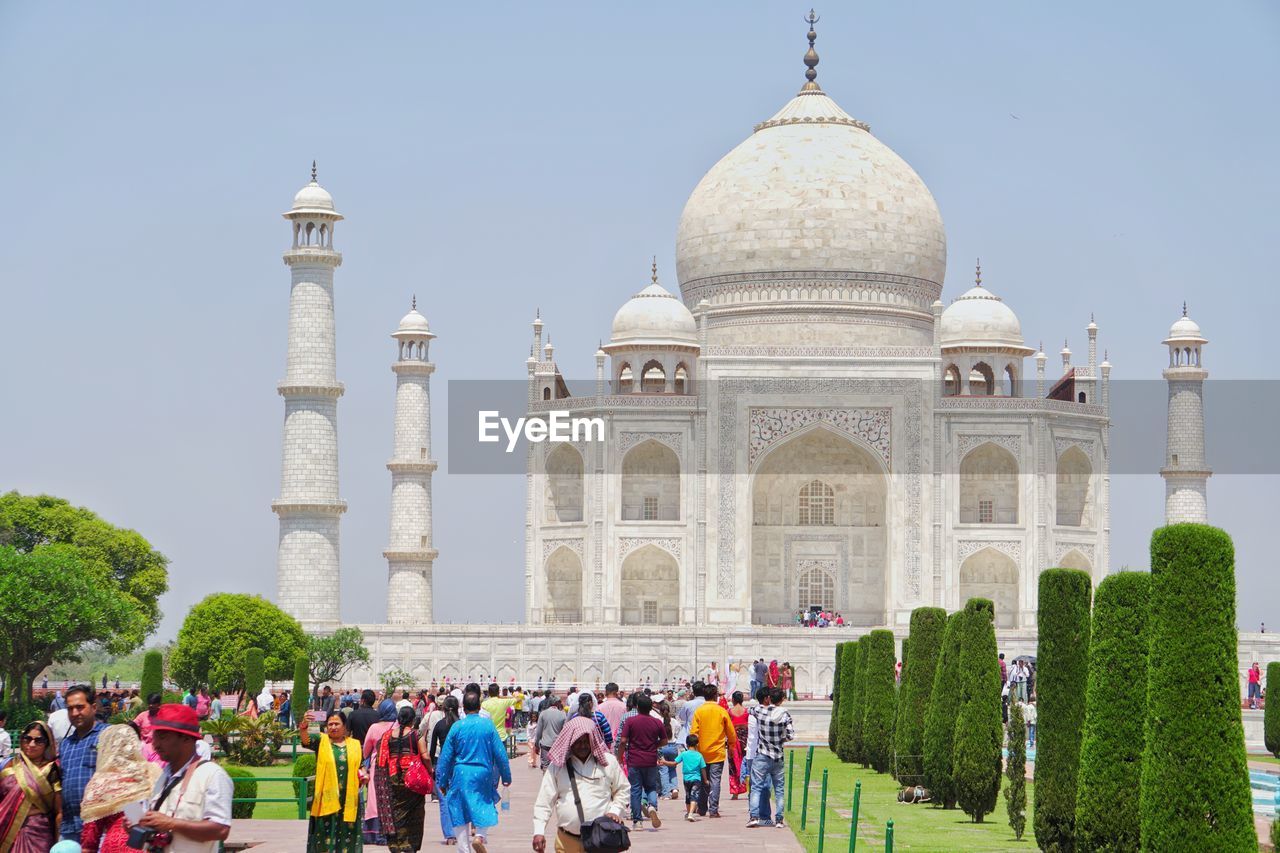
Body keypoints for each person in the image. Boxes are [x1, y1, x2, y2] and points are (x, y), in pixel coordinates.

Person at [136, 705, 234, 853]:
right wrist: (138, 825)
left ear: (187, 739)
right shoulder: (160, 775)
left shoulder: (212, 775)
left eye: (163, 737)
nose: (155, 744)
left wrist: (171, 824)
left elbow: (220, 830)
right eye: (155, 735)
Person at [531, 715, 630, 852]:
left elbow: (623, 789)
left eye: (586, 741)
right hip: (567, 842)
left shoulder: (608, 763)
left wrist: (615, 811)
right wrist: (539, 831)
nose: (583, 746)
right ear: (570, 741)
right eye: (578, 741)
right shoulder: (557, 766)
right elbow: (544, 801)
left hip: (602, 841)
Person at [435, 691, 512, 853]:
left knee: (459, 809)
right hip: (483, 774)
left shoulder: (457, 727)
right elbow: (500, 754)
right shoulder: (487, 726)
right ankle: (480, 836)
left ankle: (464, 848)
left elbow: (445, 757)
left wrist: (441, 782)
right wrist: (506, 776)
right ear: (479, 707)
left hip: (461, 774)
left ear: (463, 707)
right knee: (483, 804)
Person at [79, 724, 163, 852]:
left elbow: (91, 836)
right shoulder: (153, 771)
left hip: (115, 846)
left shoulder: (101, 782)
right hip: (148, 843)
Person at [299, 711, 366, 853]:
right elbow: (306, 741)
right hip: (326, 798)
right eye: (330, 724)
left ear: (344, 726)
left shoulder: (354, 745)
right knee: (325, 834)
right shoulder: (321, 741)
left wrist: (364, 773)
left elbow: (360, 766)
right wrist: (304, 726)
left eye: (337, 724)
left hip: (348, 798)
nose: (333, 727)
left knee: (348, 833)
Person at [371, 705, 428, 853]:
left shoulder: (387, 736)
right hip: (413, 779)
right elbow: (425, 756)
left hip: (393, 778)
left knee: (396, 811)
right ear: (413, 720)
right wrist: (430, 770)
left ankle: (396, 844)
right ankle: (410, 845)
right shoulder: (417, 734)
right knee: (415, 813)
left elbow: (381, 759)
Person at [0, 721, 61, 850]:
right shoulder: (11, 764)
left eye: (38, 740)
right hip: (6, 828)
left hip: (37, 833)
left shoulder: (52, 769)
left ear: (47, 743)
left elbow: (58, 812)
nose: (31, 744)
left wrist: (58, 843)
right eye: (27, 739)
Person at [59, 685, 107, 843]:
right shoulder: (66, 744)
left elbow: (126, 780)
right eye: (70, 708)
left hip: (100, 827)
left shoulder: (108, 735)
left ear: (93, 707)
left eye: (80, 707)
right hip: (70, 828)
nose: (74, 713)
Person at [617, 692, 666, 830]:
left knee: (636, 789)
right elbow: (664, 740)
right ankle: (652, 806)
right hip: (650, 759)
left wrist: (619, 757)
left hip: (634, 759)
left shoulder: (630, 721)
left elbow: (623, 741)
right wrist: (653, 746)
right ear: (651, 708)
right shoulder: (657, 722)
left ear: (637, 707)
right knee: (651, 787)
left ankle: (637, 821)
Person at [748, 688, 794, 829]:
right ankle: (779, 820)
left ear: (769, 698)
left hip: (762, 754)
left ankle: (754, 817)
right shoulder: (785, 715)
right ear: (781, 700)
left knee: (756, 787)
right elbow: (791, 735)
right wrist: (780, 739)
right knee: (779, 789)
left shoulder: (760, 711)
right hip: (778, 756)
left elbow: (750, 710)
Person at [688, 684, 737, 818]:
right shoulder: (721, 711)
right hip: (717, 752)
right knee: (715, 781)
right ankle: (713, 810)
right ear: (715, 695)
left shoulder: (699, 711)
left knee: (704, 780)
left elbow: (694, 733)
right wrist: (732, 746)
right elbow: (731, 733)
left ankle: (702, 808)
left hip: (701, 753)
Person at [361, 699, 400, 844]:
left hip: (377, 765)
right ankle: (392, 831)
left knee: (374, 797)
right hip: (394, 765)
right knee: (392, 796)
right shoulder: (398, 726)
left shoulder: (374, 728)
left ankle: (375, 833)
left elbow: (366, 750)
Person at [428, 696, 460, 846]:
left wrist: (431, 769)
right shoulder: (461, 725)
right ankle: (461, 830)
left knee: (444, 801)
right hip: (460, 765)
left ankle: (449, 835)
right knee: (460, 799)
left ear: (444, 708)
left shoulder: (440, 725)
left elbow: (432, 749)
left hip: (443, 764)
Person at [658, 734, 707, 822]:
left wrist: (664, 762)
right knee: (694, 796)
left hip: (686, 780)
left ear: (687, 744)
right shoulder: (699, 755)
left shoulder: (684, 754)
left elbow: (674, 763)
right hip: (696, 779)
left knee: (688, 796)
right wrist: (706, 780)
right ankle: (691, 813)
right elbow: (703, 768)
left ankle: (689, 813)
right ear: (697, 744)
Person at [532, 696, 567, 771]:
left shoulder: (543, 713)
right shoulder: (563, 714)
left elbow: (538, 731)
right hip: (557, 745)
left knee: (545, 766)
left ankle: (546, 781)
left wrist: (536, 744)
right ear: (557, 703)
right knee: (557, 767)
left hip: (545, 744)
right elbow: (565, 732)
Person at [726, 692, 749, 801]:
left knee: (733, 766)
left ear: (733, 700)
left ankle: (735, 792)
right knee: (747, 764)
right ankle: (749, 788)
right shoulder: (747, 712)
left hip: (733, 743)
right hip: (745, 742)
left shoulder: (729, 712)